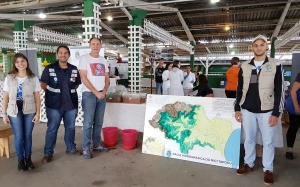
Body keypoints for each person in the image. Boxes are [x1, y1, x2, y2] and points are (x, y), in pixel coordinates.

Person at [234, 35, 284, 185]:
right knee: (248, 138)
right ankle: (248, 164)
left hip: (267, 110)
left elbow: (280, 90)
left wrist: (276, 113)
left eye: (262, 45)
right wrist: (237, 108)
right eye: (256, 45)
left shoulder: (275, 64)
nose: (259, 47)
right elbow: (238, 89)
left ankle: (268, 169)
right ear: (252, 47)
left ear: (266, 47)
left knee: (268, 142)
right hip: (247, 109)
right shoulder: (244, 66)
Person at [40, 46, 82, 164]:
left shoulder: (74, 69)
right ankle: (48, 153)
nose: (63, 55)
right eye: (61, 53)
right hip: (54, 105)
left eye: (65, 53)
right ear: (57, 54)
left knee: (70, 128)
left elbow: (76, 84)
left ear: (69, 55)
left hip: (71, 104)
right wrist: (53, 95)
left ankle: (71, 148)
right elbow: (43, 84)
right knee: (52, 129)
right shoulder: (49, 69)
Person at [2, 53, 41, 171]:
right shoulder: (9, 78)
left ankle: (28, 159)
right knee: (19, 136)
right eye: (17, 61)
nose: (20, 64)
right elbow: (6, 96)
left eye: (23, 61)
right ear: (14, 64)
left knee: (27, 136)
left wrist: (38, 113)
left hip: (29, 109)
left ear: (27, 62)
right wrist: (4, 113)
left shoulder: (33, 78)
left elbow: (37, 97)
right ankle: (20, 160)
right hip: (14, 109)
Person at [79, 37, 110, 159]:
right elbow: (83, 77)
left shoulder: (103, 60)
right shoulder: (84, 58)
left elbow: (107, 78)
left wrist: (104, 91)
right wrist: (96, 92)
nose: (96, 46)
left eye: (98, 44)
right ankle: (86, 147)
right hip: (89, 94)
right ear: (90, 45)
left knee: (99, 122)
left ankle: (96, 144)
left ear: (101, 46)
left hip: (102, 94)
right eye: (93, 44)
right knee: (88, 123)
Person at [285, 72, 300, 160]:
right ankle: (289, 150)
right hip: (296, 107)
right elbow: (293, 91)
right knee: (293, 128)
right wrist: (296, 106)